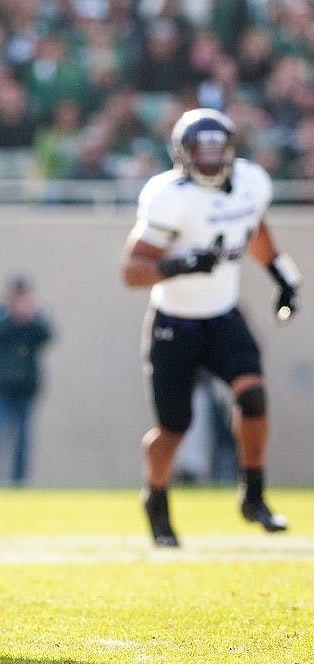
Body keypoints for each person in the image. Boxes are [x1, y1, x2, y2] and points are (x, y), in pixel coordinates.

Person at [120, 107, 301, 548]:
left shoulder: (251, 183)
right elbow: (132, 270)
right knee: (174, 428)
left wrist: (282, 275)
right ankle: (157, 500)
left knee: (253, 396)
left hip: (222, 315)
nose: (210, 160)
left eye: (217, 150)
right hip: (174, 323)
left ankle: (253, 495)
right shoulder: (169, 195)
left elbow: (251, 227)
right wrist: (180, 264)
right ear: (183, 154)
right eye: (201, 151)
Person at [0, 275, 53, 485]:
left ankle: (19, 482)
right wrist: (13, 316)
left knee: (23, 439)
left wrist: (31, 316)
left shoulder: (36, 315)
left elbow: (47, 335)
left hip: (25, 388)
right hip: (0, 387)